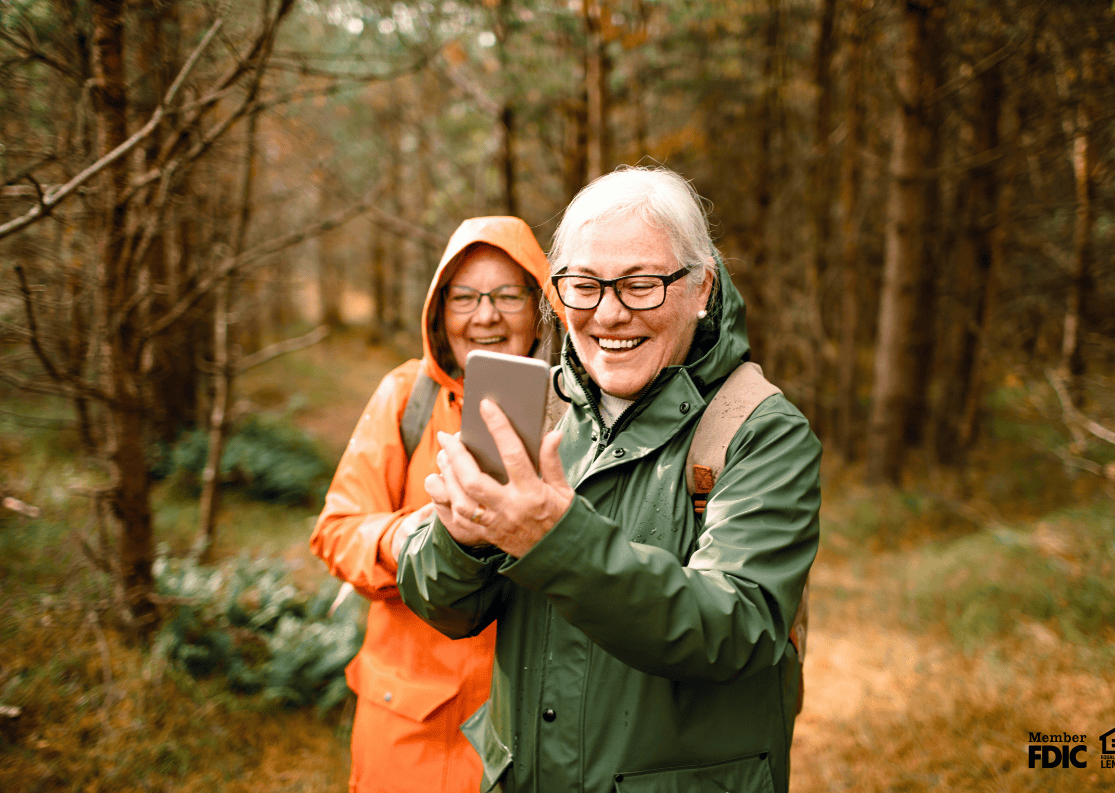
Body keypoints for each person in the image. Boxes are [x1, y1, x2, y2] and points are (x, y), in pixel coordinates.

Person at [397, 167, 821, 793]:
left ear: (701, 287)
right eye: (584, 286)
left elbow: (737, 629)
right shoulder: (538, 406)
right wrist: (462, 541)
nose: (610, 314)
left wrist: (554, 539)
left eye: (641, 285)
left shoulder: (761, 431)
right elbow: (445, 607)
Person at [310, 216, 554, 793]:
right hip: (410, 730)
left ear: (540, 305)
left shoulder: (576, 408)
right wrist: (420, 537)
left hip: (531, 732)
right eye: (465, 297)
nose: (485, 315)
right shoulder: (405, 397)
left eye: (506, 295)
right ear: (440, 310)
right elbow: (337, 530)